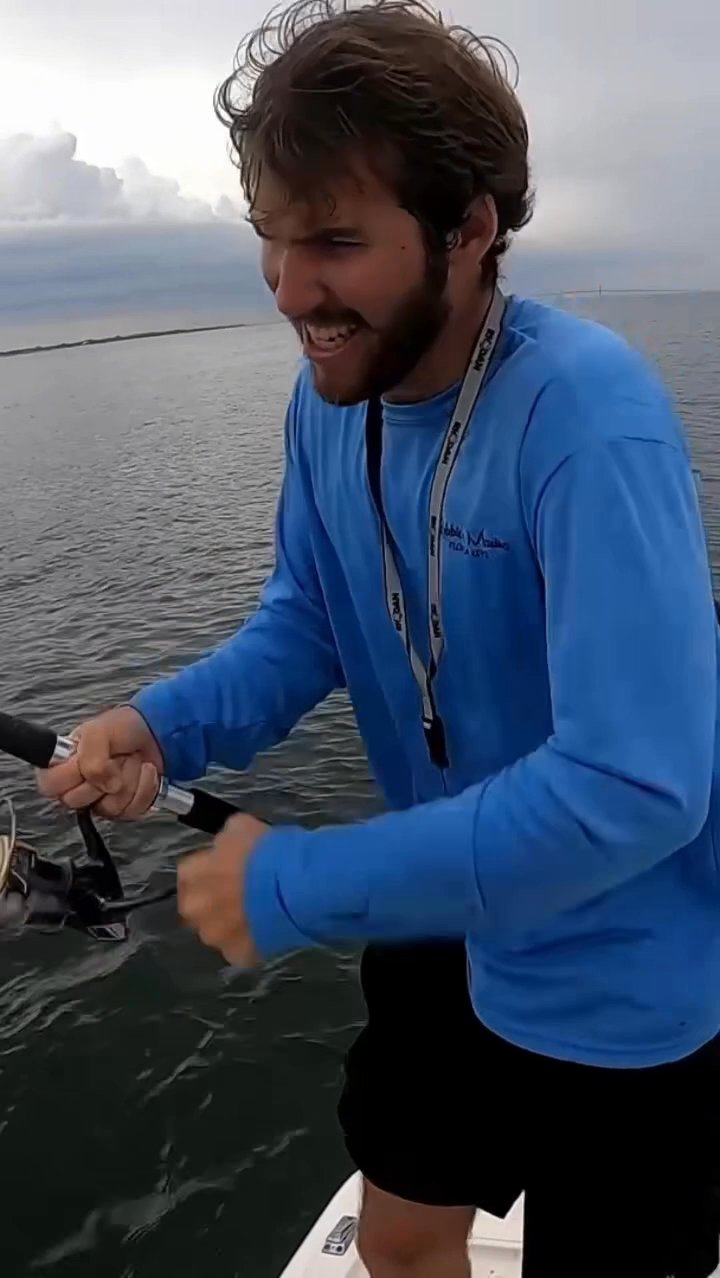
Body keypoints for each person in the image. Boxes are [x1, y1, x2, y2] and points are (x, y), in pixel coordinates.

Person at [36, 1, 720, 1274]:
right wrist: (159, 726)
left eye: (337, 243)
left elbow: (635, 786)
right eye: (272, 237)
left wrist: (297, 885)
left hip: (620, 969)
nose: (291, 290)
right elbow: (310, 620)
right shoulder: (328, 403)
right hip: (440, 911)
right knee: (400, 1247)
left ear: (470, 229)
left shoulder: (587, 416)